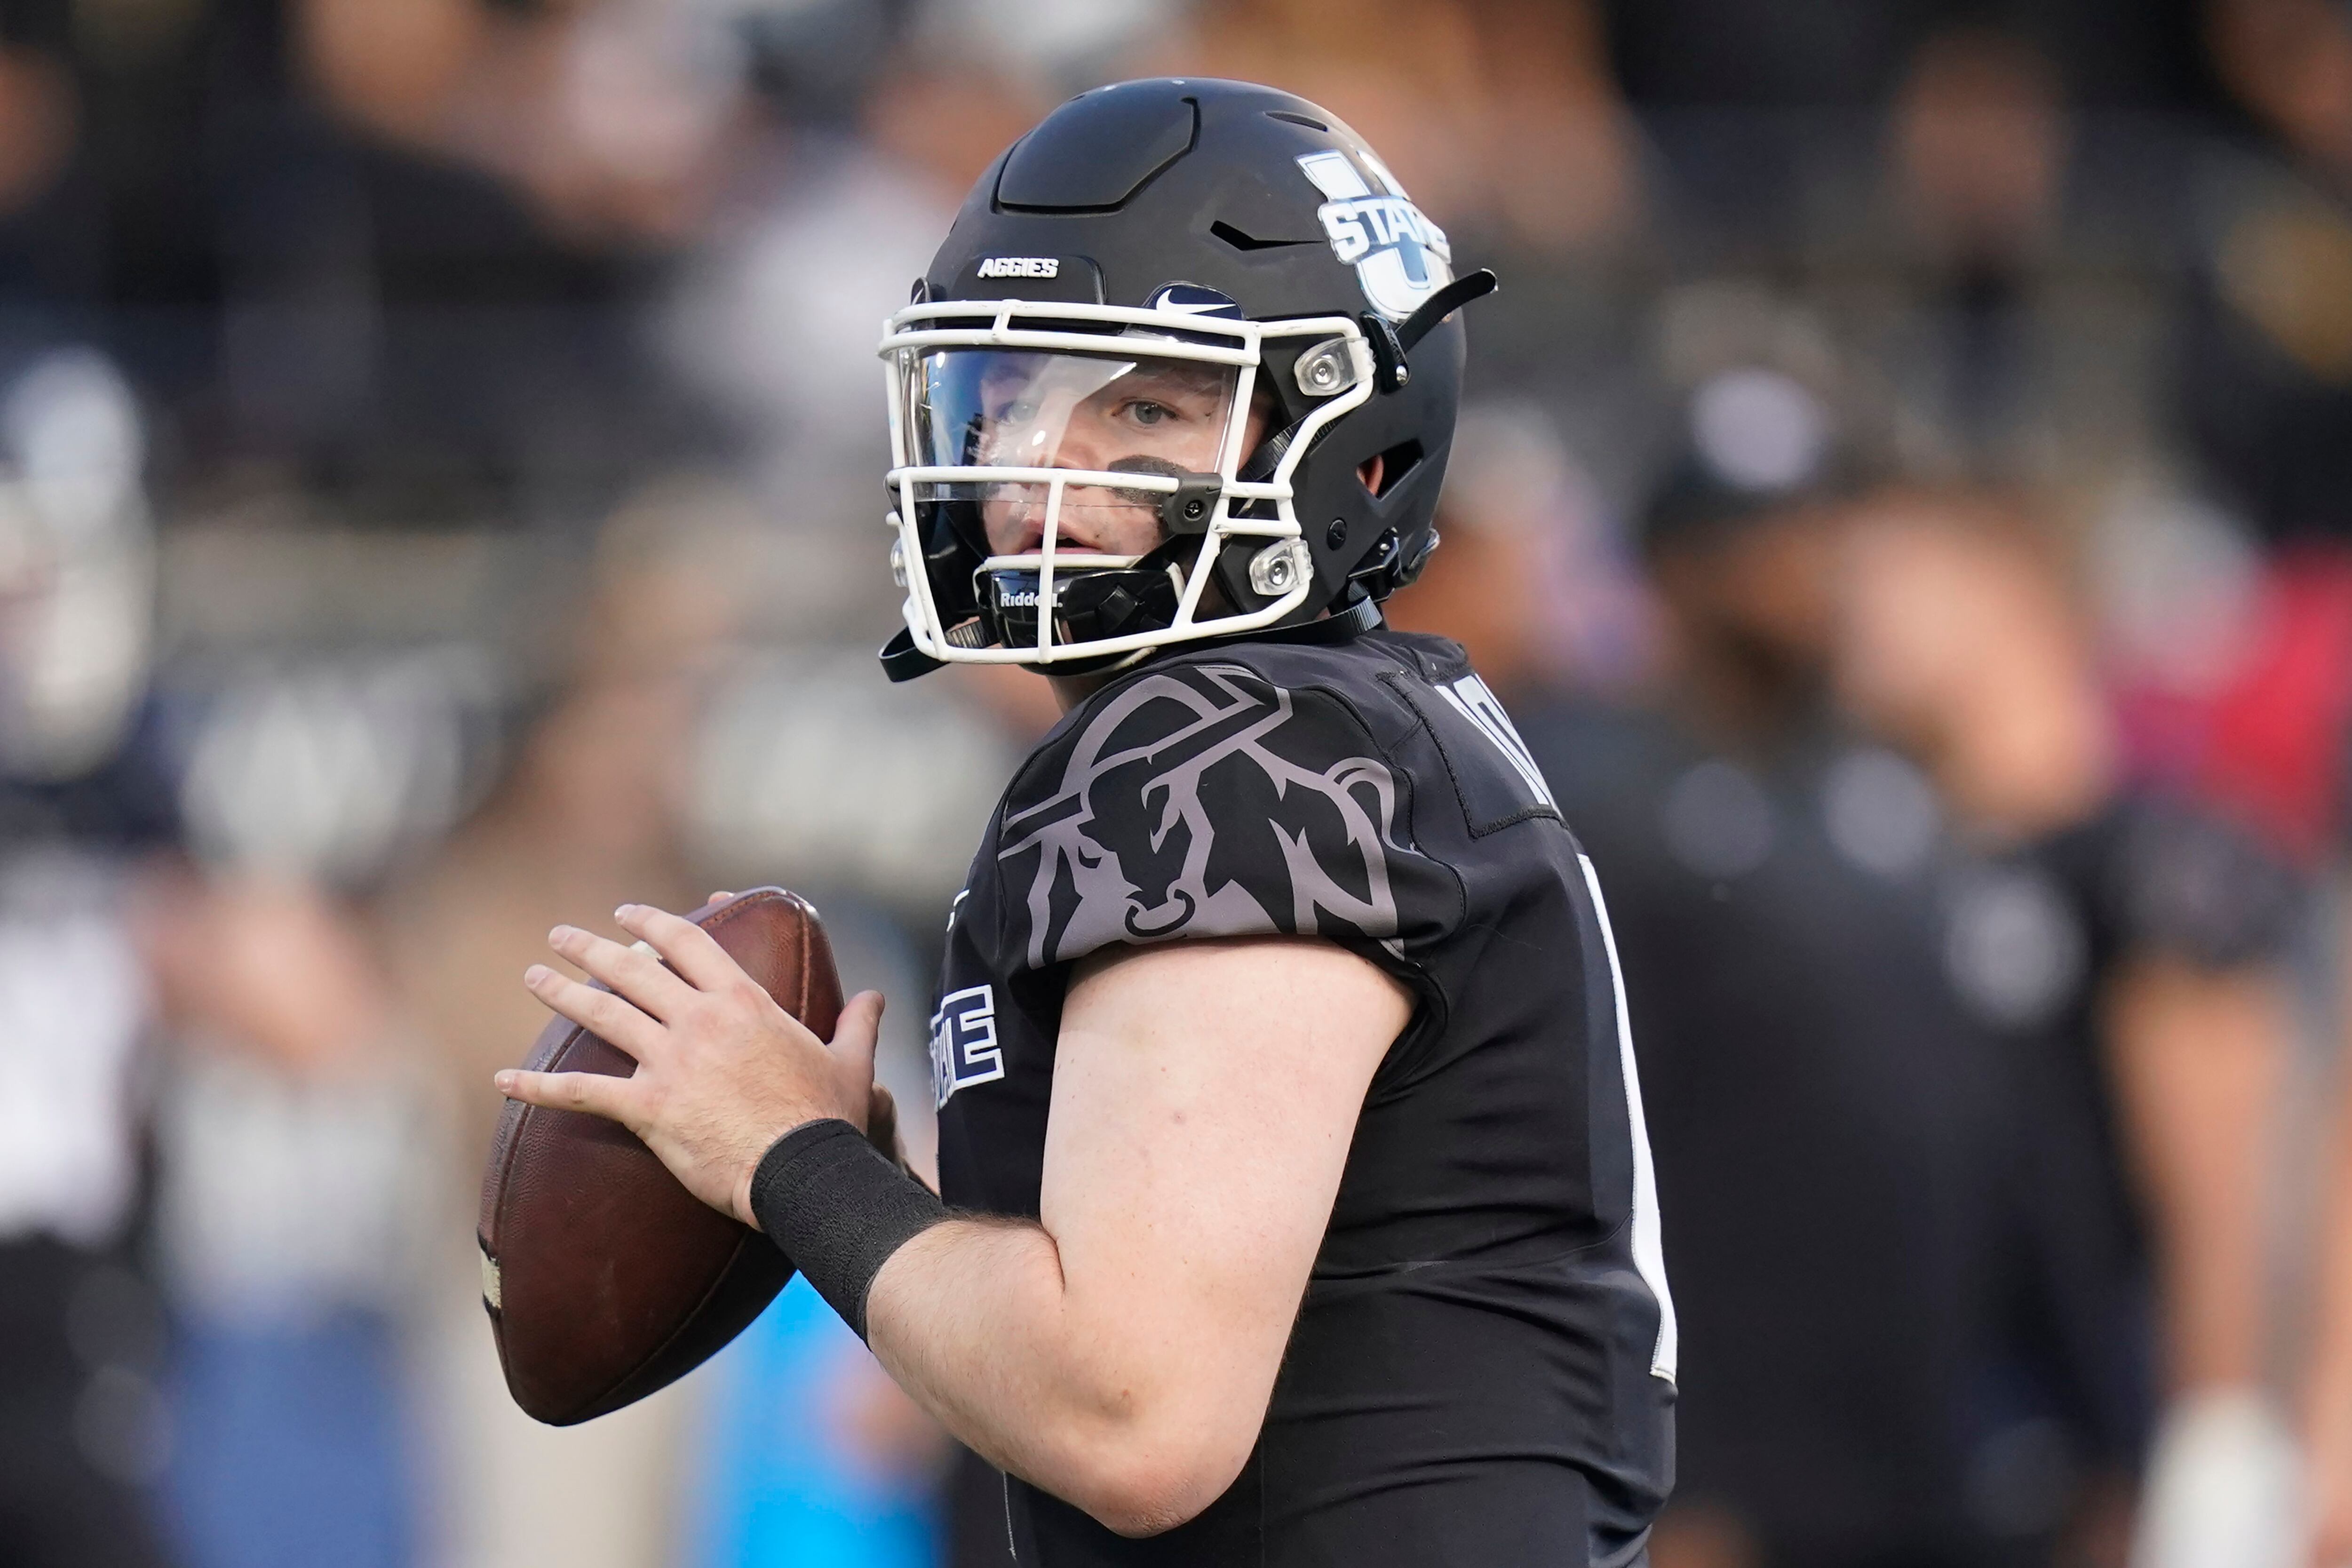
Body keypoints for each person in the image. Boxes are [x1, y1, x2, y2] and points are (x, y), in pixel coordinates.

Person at [493, 79, 1676, 1565]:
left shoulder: (1226, 745)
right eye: (1013, 395)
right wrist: (875, 1194)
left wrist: (787, 1154)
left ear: (1341, 429)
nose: (1041, 467)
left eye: (1145, 406)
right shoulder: (1360, 717)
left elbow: (1134, 1419)